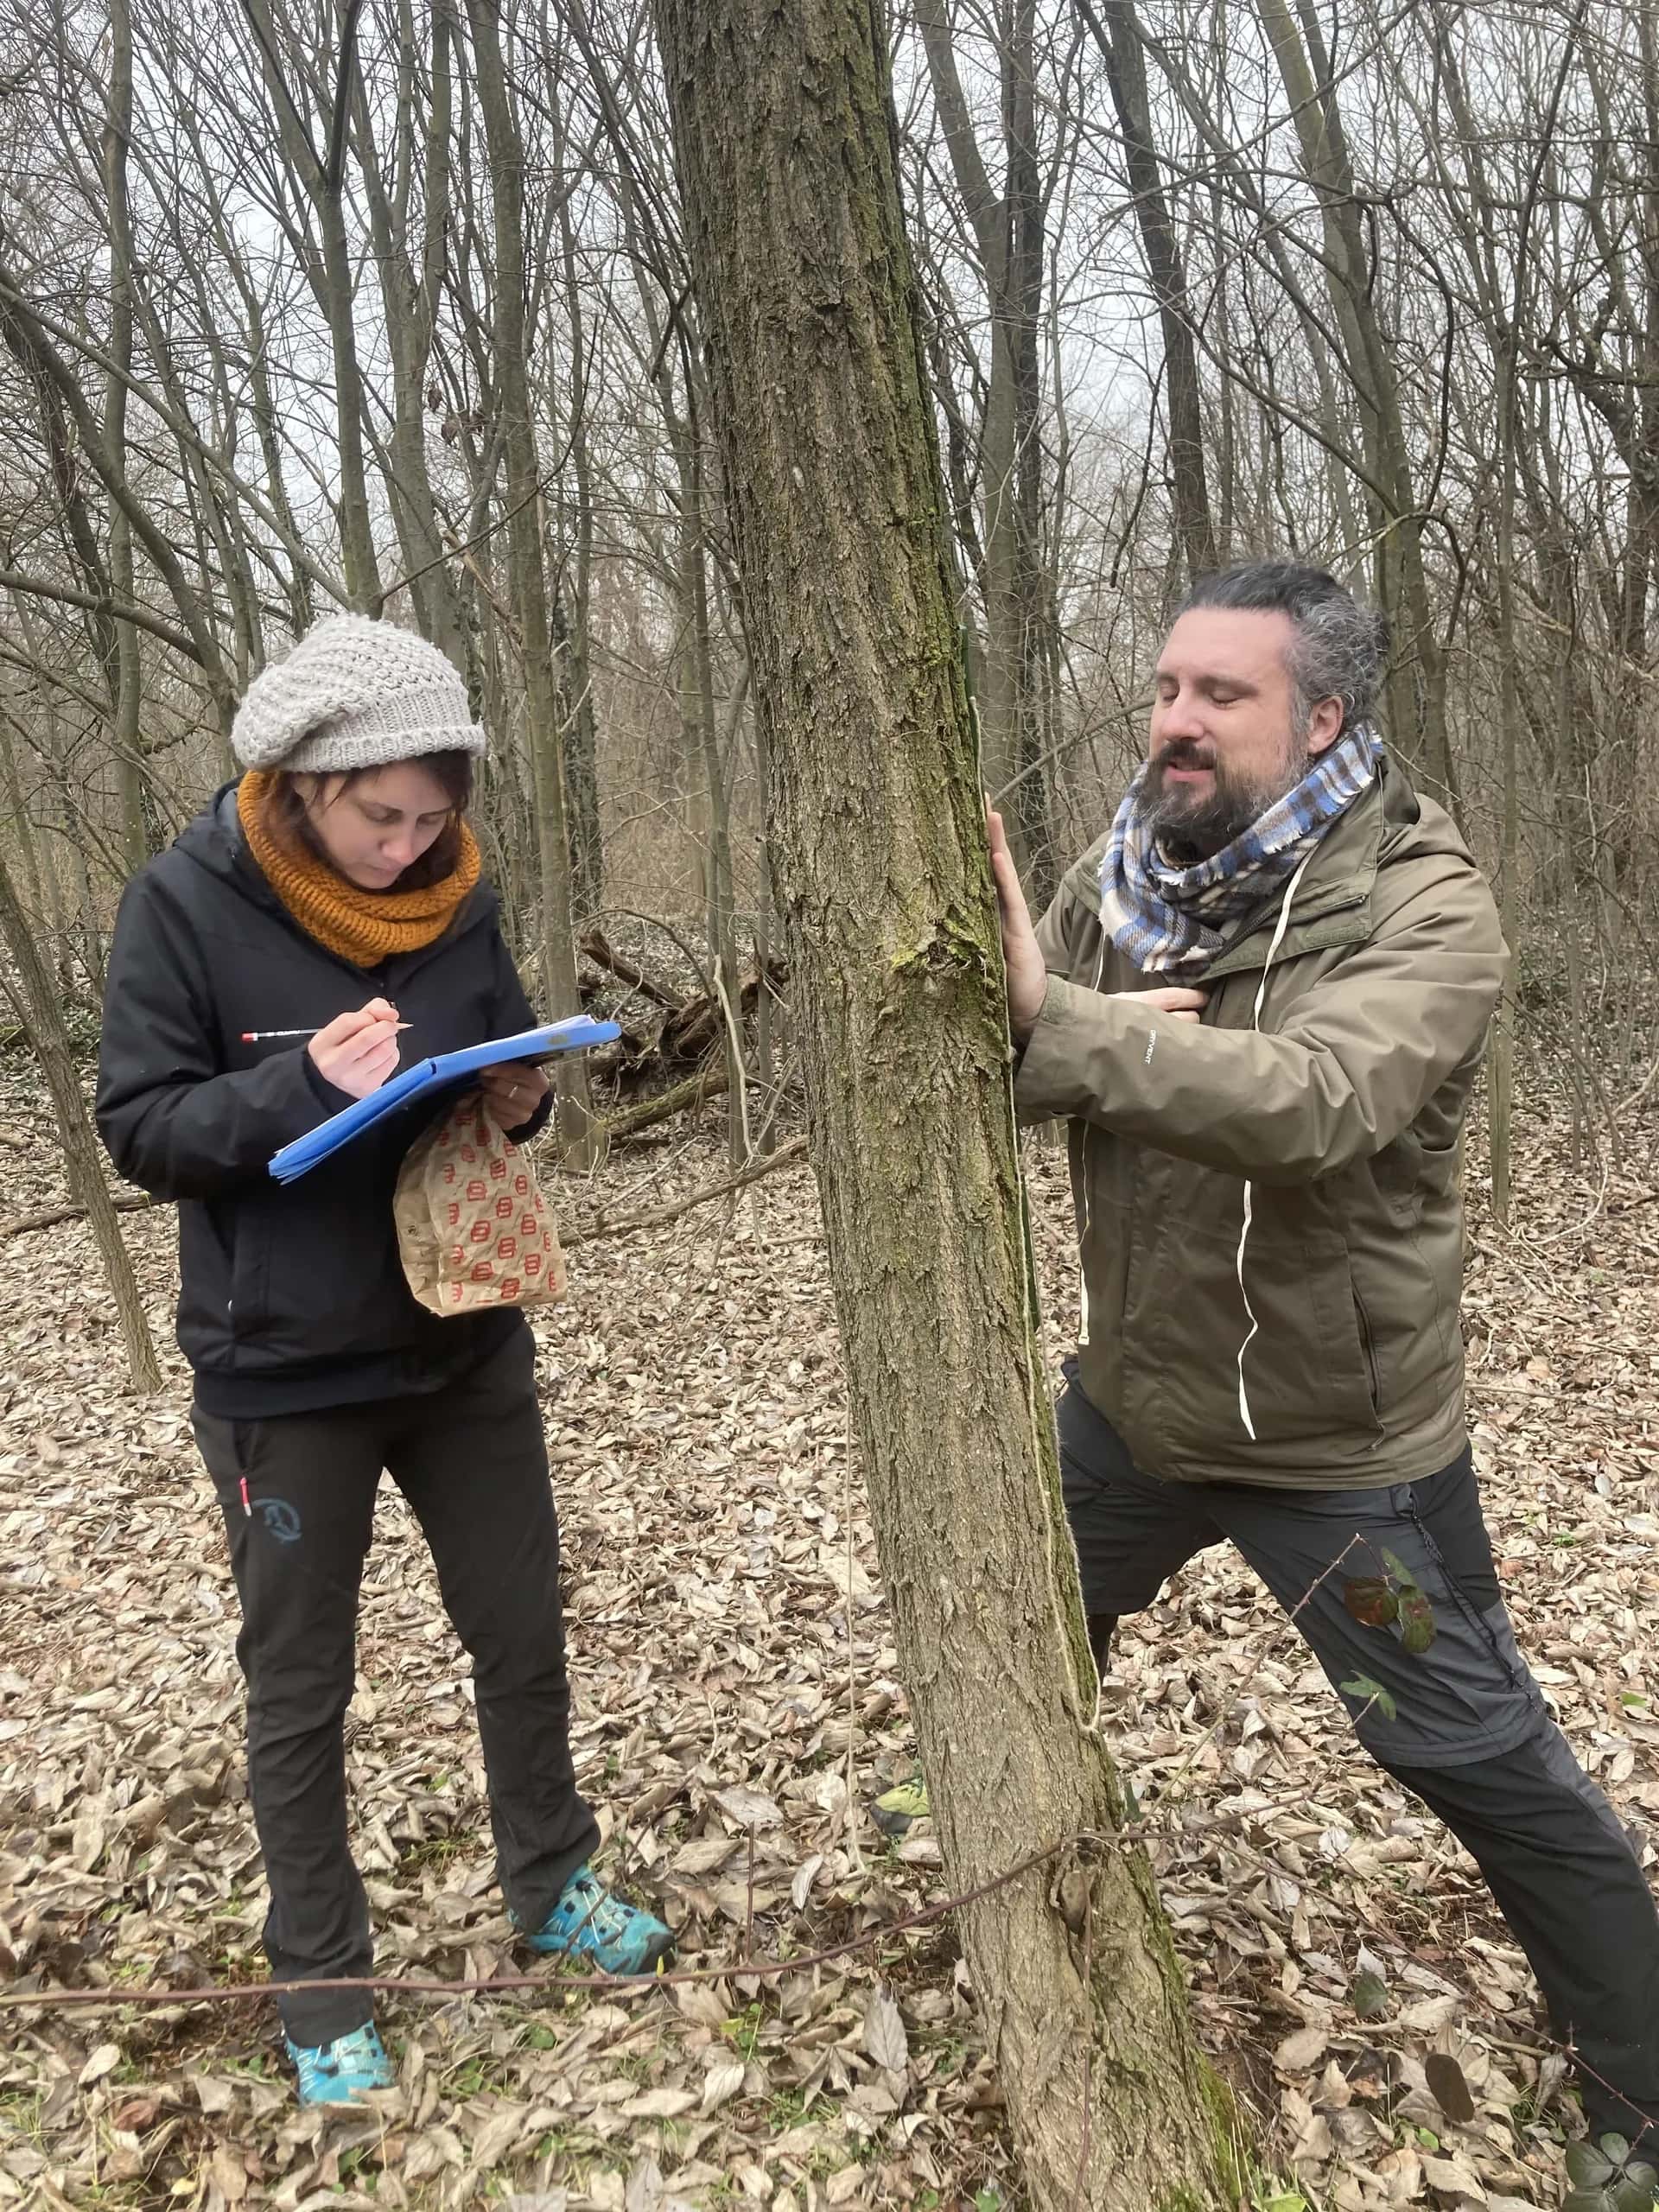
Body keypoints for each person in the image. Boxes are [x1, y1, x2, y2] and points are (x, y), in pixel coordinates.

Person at [984, 563, 1659, 2152]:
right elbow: (1014, 1067)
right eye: (1166, 689)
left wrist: (1082, 1029)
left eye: (1223, 695)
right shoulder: (1127, 876)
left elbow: (1316, 1103)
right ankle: (1011, 1880)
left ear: (1327, 715)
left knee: (1473, 1752)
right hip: (1136, 1414)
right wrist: (1060, 1024)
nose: (1176, 725)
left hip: (1337, 1453)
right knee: (1016, 1632)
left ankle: (1641, 2088)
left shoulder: (1430, 901)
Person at [95, 615, 672, 2107]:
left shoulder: (458, 900)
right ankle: (324, 1983)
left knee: (521, 1633)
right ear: (296, 784)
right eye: (378, 815)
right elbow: (144, 1131)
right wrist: (294, 1085)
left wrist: (524, 1098)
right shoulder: (181, 904)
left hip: (460, 1327)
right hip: (283, 1373)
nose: (407, 847)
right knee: (301, 1687)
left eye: (433, 818)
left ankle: (550, 1881)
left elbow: (488, 1056)